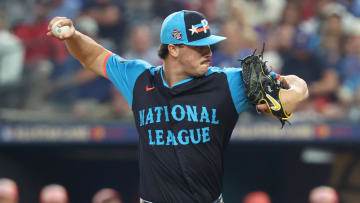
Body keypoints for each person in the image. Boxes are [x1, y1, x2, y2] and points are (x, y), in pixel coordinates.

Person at [47, 10, 308, 203]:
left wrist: (293, 95)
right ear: (173, 49)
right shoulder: (140, 78)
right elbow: (94, 56)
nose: (208, 52)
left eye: (209, 44)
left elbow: (296, 83)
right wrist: (73, 35)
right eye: (198, 47)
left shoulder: (228, 82)